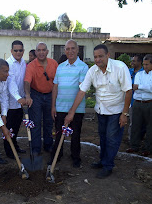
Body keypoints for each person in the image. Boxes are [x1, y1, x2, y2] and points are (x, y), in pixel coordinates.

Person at [64, 44, 132, 178]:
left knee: (112, 139)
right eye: (95, 57)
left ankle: (108, 166)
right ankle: (103, 160)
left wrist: (124, 114)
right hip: (101, 111)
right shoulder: (92, 71)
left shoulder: (120, 67)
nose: (97, 59)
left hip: (116, 111)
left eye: (101, 56)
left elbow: (128, 91)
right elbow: (82, 91)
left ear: (108, 55)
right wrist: (71, 112)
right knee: (103, 137)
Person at [49, 39, 88, 168]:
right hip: (60, 107)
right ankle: (57, 155)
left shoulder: (83, 67)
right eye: (67, 49)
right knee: (59, 133)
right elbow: (55, 87)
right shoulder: (60, 67)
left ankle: (75, 157)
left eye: (73, 48)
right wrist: (53, 106)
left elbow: (82, 90)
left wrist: (72, 111)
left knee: (75, 134)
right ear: (64, 51)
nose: (70, 51)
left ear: (77, 50)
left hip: (76, 109)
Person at [24, 42, 58, 154]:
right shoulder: (31, 66)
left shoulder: (54, 64)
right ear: (36, 52)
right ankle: (36, 148)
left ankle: (48, 145)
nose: (41, 52)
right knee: (35, 122)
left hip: (50, 95)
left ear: (47, 52)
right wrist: (28, 95)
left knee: (49, 121)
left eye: (43, 50)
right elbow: (27, 82)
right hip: (36, 95)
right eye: (39, 50)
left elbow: (57, 82)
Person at [3, 40, 30, 159]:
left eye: (20, 50)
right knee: (9, 127)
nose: (18, 52)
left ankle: (14, 145)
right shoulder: (8, 64)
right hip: (10, 103)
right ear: (11, 51)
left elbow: (24, 81)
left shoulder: (23, 63)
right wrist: (19, 98)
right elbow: (11, 84)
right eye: (16, 50)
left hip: (20, 103)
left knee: (17, 127)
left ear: (23, 51)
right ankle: (9, 150)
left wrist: (25, 96)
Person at [126, 54, 152, 157]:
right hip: (137, 102)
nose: (145, 66)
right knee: (135, 125)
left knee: (150, 127)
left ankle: (147, 148)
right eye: (144, 64)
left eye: (147, 64)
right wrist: (145, 88)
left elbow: (148, 88)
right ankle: (134, 146)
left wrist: (140, 87)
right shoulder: (139, 75)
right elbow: (134, 87)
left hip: (149, 103)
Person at [128, 55, 144, 139]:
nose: (132, 62)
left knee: (141, 122)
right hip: (130, 101)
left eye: (134, 61)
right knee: (132, 122)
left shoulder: (143, 73)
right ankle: (132, 140)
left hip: (140, 100)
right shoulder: (129, 71)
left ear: (139, 62)